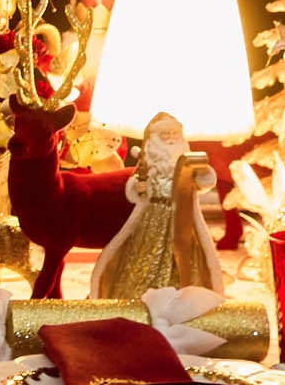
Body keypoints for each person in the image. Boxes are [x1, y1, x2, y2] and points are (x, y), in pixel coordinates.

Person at [88, 110, 220, 298]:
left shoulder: (187, 164)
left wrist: (204, 173)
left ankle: (183, 293)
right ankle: (141, 293)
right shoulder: (149, 164)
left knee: (184, 255)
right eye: (166, 136)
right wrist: (137, 187)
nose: (171, 140)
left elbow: (204, 182)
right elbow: (135, 186)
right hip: (152, 218)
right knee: (145, 255)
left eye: (174, 135)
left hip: (181, 219)